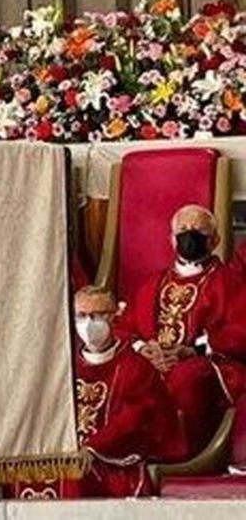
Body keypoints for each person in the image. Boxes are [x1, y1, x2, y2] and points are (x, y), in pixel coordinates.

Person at [124, 205, 246, 456]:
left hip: (205, 362)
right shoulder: (152, 283)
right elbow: (124, 327)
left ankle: (182, 455)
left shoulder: (228, 282)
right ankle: (129, 451)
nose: (190, 235)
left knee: (188, 376)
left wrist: (192, 351)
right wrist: (143, 349)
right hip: (152, 360)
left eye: (199, 230)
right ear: (171, 239)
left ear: (215, 240)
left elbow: (239, 331)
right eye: (183, 230)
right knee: (125, 373)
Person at [72, 285, 185, 497]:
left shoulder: (135, 366)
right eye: (81, 316)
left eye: (97, 315)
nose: (88, 324)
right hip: (71, 457)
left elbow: (132, 418)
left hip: (116, 462)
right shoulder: (66, 366)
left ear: (115, 318)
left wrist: (93, 448)